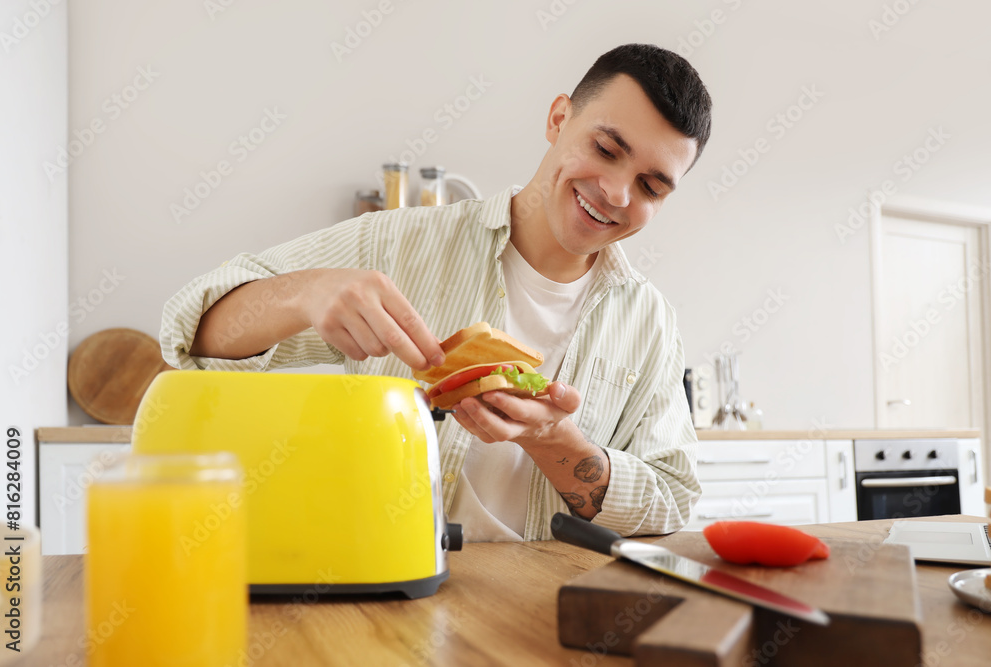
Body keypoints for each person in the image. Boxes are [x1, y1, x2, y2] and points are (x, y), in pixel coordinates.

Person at [160, 43, 712, 541]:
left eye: (650, 186)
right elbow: (190, 337)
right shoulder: (396, 244)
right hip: (390, 596)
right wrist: (302, 294)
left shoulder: (649, 320)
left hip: (548, 620)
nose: (616, 192)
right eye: (606, 149)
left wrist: (555, 441)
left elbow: (672, 498)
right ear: (559, 118)